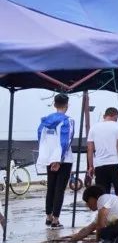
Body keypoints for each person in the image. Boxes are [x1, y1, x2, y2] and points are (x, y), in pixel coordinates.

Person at [37, 93, 74, 230]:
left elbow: (41, 140)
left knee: (51, 188)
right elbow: (66, 140)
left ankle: (48, 216)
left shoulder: (45, 121)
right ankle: (56, 219)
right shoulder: (67, 120)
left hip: (49, 158)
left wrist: (49, 158)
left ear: (54, 104)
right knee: (59, 190)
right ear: (67, 105)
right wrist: (59, 159)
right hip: (64, 159)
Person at [86, 107, 118, 196]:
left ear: (105, 116)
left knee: (103, 194)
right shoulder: (117, 126)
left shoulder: (93, 128)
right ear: (116, 116)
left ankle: (104, 210)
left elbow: (90, 149)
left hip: (100, 165)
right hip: (115, 163)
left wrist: (91, 166)